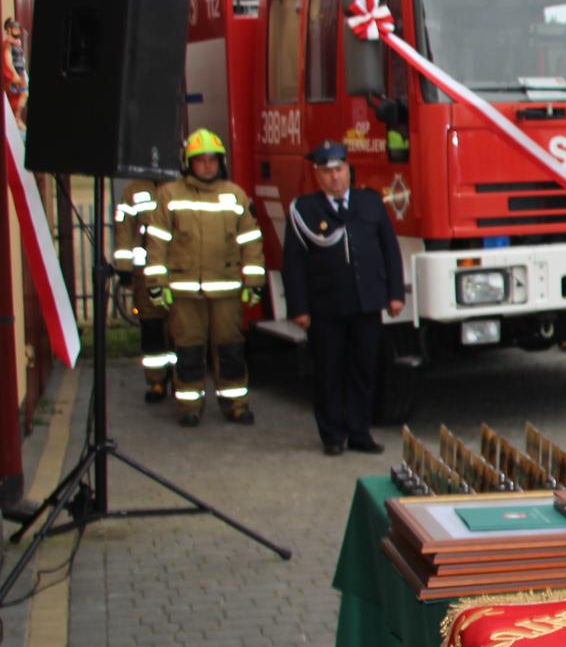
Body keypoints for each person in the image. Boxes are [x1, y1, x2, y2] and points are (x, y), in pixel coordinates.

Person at [280, 141, 407, 455]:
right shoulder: (305, 210)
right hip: (326, 306)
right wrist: (299, 308)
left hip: (366, 303)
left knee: (364, 370)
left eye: (339, 170)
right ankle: (333, 435)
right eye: (327, 172)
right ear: (318, 176)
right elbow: (293, 263)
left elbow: (389, 249)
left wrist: (394, 293)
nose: (335, 178)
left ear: (349, 170)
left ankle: (360, 431)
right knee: (328, 372)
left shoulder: (370, 203)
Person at [145, 129, 266, 427]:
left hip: (225, 291)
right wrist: (157, 285)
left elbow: (251, 241)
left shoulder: (234, 195)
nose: (208, 166)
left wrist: (254, 282)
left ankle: (236, 404)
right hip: (184, 293)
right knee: (188, 350)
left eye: (213, 160)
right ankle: (189, 406)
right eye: (200, 161)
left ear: (221, 162)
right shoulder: (170, 195)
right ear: (188, 163)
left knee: (231, 350)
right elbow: (157, 244)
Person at [110, 179, 174, 403]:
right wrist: (124, 268)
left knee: (181, 329)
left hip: (178, 272)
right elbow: (124, 230)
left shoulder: (183, 187)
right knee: (152, 328)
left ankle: (180, 379)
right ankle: (156, 381)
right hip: (145, 274)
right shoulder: (133, 192)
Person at [2, 17, 25, 122]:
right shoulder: (7, 43)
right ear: (10, 29)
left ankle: (17, 118)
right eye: (15, 28)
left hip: (20, 72)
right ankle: (14, 119)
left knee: (23, 94)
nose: (18, 31)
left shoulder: (17, 42)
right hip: (13, 74)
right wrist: (14, 74)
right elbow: (7, 60)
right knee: (15, 97)